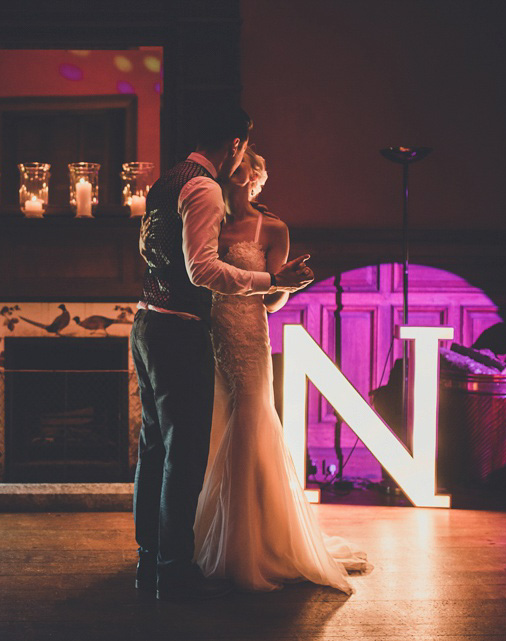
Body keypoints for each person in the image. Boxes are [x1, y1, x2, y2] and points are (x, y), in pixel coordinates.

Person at [131, 108, 313, 601]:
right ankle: (173, 569)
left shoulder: (165, 182)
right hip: (179, 330)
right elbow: (202, 271)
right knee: (184, 454)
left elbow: (152, 251)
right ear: (235, 144)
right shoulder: (204, 188)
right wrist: (273, 281)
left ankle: (148, 560)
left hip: (145, 322)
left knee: (153, 448)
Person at [193, 148, 369, 594]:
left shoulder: (271, 228)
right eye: (231, 162)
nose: (234, 168)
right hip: (211, 335)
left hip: (249, 334)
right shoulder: (207, 220)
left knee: (252, 422)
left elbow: (271, 299)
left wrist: (285, 283)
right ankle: (214, 533)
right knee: (219, 424)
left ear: (253, 177)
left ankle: (255, 541)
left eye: (242, 164)